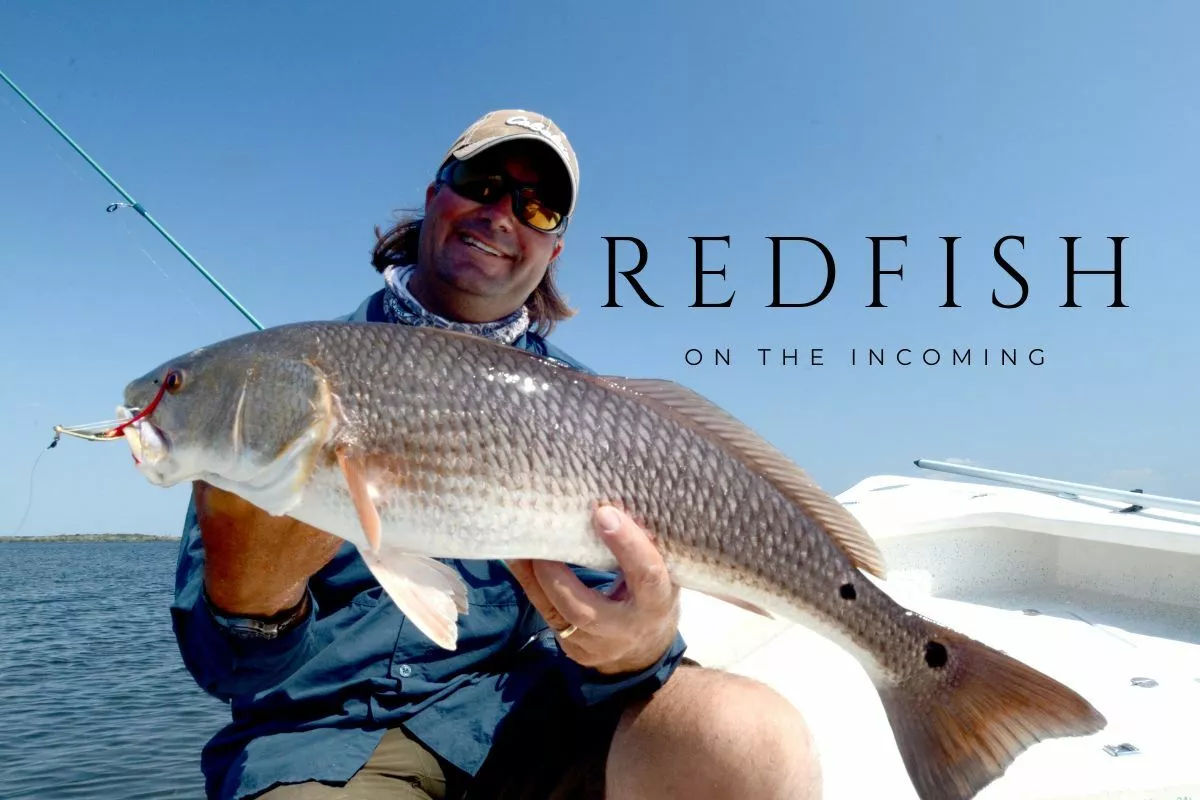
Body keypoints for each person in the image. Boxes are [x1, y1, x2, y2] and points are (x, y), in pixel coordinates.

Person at [172, 109, 820, 800]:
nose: (502, 213)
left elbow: (611, 646)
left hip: (515, 720)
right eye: (482, 183)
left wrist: (641, 643)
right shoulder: (286, 381)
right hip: (318, 743)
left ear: (554, 250)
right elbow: (224, 673)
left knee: (750, 742)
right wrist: (253, 600)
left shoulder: (590, 411)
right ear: (434, 197)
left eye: (538, 207)